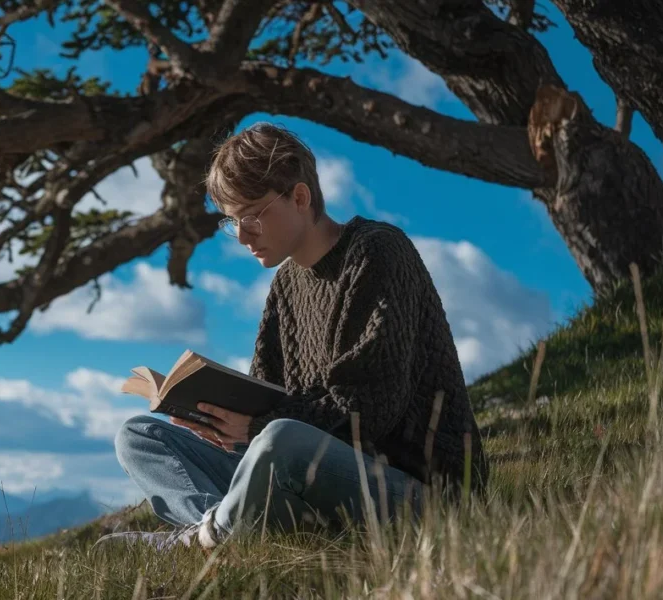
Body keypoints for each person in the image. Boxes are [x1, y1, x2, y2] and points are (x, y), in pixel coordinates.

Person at [95, 122, 488, 550]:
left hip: (420, 495)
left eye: (251, 216)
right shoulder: (285, 285)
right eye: (232, 222)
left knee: (281, 438)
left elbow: (368, 410)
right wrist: (222, 424)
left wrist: (259, 427)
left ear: (299, 198)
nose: (242, 236)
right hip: (313, 477)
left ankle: (205, 540)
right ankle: (221, 533)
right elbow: (266, 394)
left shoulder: (378, 253)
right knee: (139, 436)